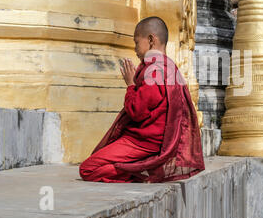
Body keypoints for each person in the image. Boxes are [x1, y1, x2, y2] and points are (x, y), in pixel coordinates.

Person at [79, 16, 205, 183]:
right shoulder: (169, 67)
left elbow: (136, 112)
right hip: (153, 140)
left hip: (144, 142)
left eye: (137, 43)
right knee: (98, 159)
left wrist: (130, 84)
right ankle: (140, 169)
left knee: (88, 169)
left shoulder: (155, 71)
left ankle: (140, 172)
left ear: (151, 40)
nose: (136, 49)